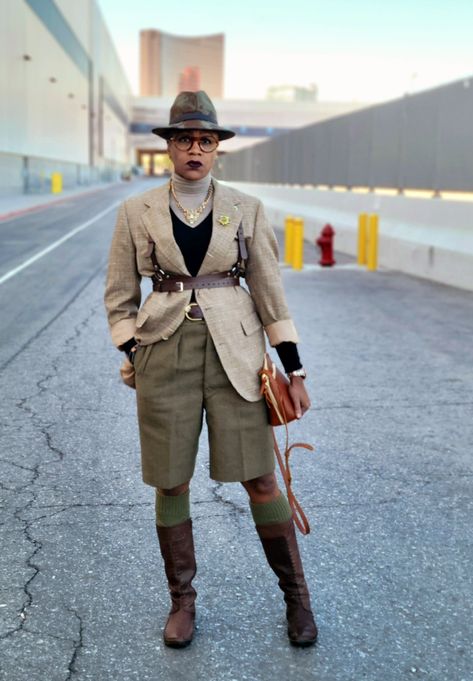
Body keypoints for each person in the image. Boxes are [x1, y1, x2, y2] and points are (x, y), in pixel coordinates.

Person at [104, 91, 317, 648]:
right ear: (169, 148)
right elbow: (119, 294)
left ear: (217, 149)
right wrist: (133, 352)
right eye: (184, 139)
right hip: (163, 354)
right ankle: (182, 602)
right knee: (171, 479)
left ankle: (296, 596)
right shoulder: (137, 211)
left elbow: (270, 292)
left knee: (260, 477)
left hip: (238, 354)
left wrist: (294, 368)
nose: (195, 149)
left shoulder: (245, 208)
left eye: (205, 140)